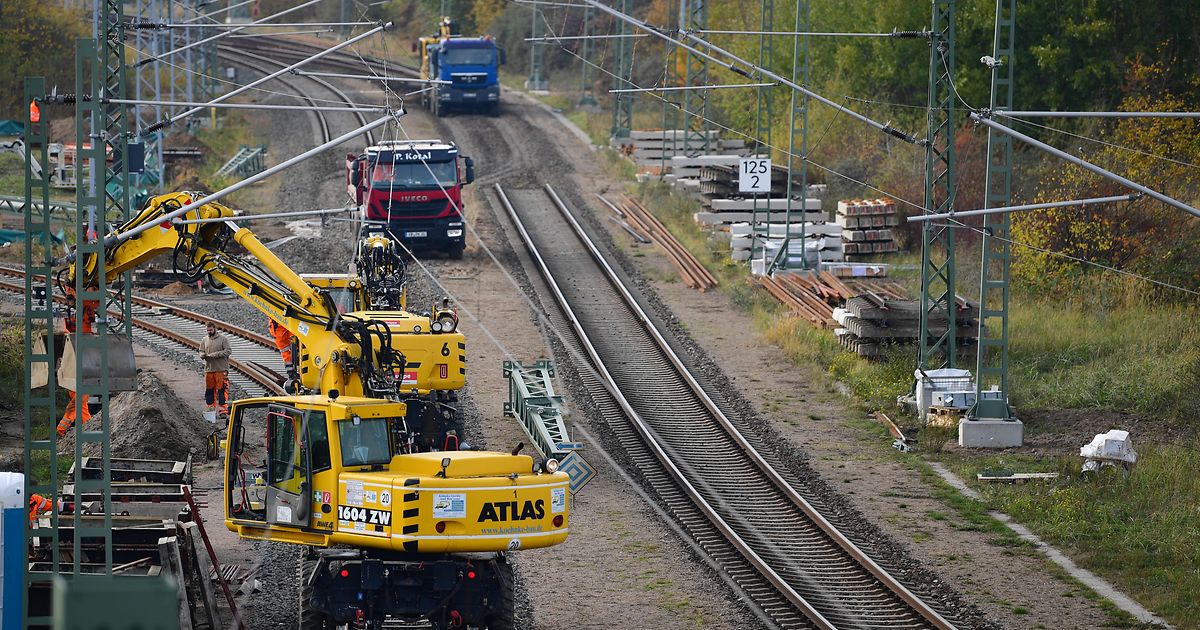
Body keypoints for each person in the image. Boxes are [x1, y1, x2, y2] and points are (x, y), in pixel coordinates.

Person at [57, 290, 98, 438]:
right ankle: (64, 431)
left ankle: (83, 428)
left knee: (81, 406)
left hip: (75, 373)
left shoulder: (71, 332)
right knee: (79, 405)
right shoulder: (73, 334)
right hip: (78, 373)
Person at [199, 322, 232, 417]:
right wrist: (201, 355)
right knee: (209, 390)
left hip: (221, 369)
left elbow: (228, 351)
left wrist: (215, 355)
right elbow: (201, 350)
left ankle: (223, 410)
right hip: (209, 369)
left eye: (210, 330)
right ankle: (210, 408)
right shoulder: (204, 340)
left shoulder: (223, 339)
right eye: (207, 330)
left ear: (215, 329)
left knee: (222, 389)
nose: (209, 332)